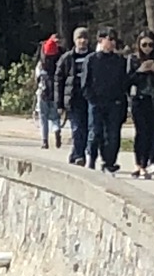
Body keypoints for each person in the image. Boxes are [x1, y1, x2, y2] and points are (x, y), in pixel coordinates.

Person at [83, 30, 130, 174]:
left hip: (114, 103)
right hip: (96, 102)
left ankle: (109, 162)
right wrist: (91, 98)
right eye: (109, 39)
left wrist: (121, 101)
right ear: (101, 40)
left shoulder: (120, 61)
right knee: (95, 132)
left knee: (112, 134)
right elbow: (85, 82)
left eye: (114, 39)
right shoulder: (91, 59)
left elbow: (125, 82)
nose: (112, 42)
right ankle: (91, 159)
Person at [128, 33, 154, 176]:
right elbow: (127, 80)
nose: (147, 48)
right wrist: (140, 71)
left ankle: (151, 161)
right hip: (139, 100)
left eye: (151, 45)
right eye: (144, 45)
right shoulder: (133, 59)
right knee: (141, 132)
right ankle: (139, 163)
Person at [54, 27, 95, 164]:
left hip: (89, 98)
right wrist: (59, 104)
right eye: (79, 38)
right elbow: (58, 81)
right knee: (77, 128)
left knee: (89, 128)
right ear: (74, 40)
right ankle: (79, 155)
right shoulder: (66, 59)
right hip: (73, 99)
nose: (82, 41)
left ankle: (76, 154)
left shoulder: (94, 57)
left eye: (85, 38)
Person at [36, 36, 63, 148]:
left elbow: (37, 78)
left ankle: (44, 141)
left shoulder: (41, 64)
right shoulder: (58, 64)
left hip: (43, 92)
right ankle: (56, 130)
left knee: (43, 117)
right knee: (55, 117)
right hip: (55, 93)